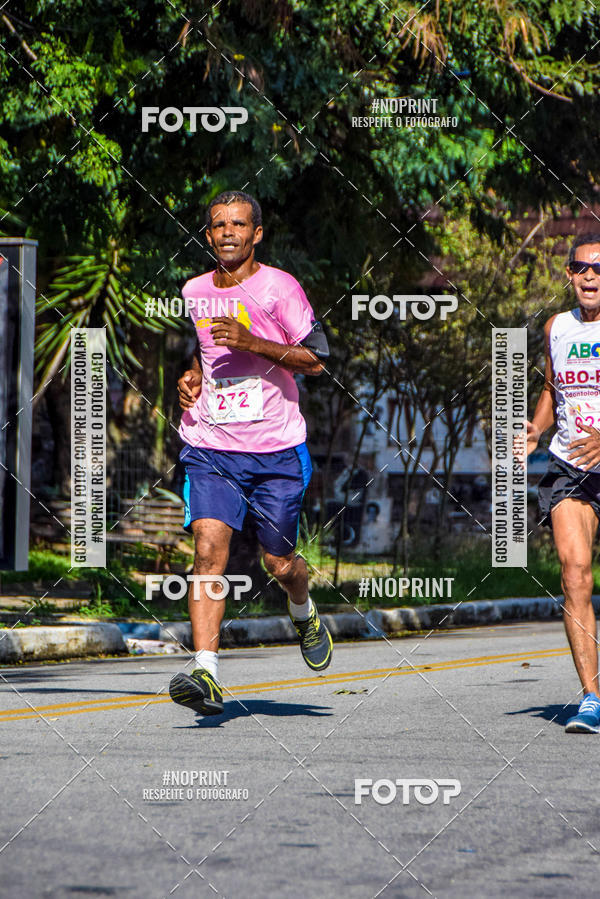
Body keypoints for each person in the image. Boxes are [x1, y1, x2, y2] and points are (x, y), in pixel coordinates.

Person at [169, 190, 332, 716]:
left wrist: (251, 341)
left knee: (278, 561)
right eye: (219, 225)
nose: (228, 233)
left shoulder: (279, 287)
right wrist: (190, 379)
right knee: (207, 555)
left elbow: (317, 359)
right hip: (211, 444)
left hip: (276, 450)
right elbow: (202, 353)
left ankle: (302, 609)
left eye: (239, 225)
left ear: (256, 234)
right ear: (208, 233)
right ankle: (206, 671)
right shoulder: (194, 291)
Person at [527, 232, 600, 733]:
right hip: (569, 464)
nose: (592, 277)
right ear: (569, 275)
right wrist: (537, 426)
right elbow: (553, 386)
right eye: (583, 269)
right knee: (574, 573)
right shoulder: (556, 327)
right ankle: (592, 698)